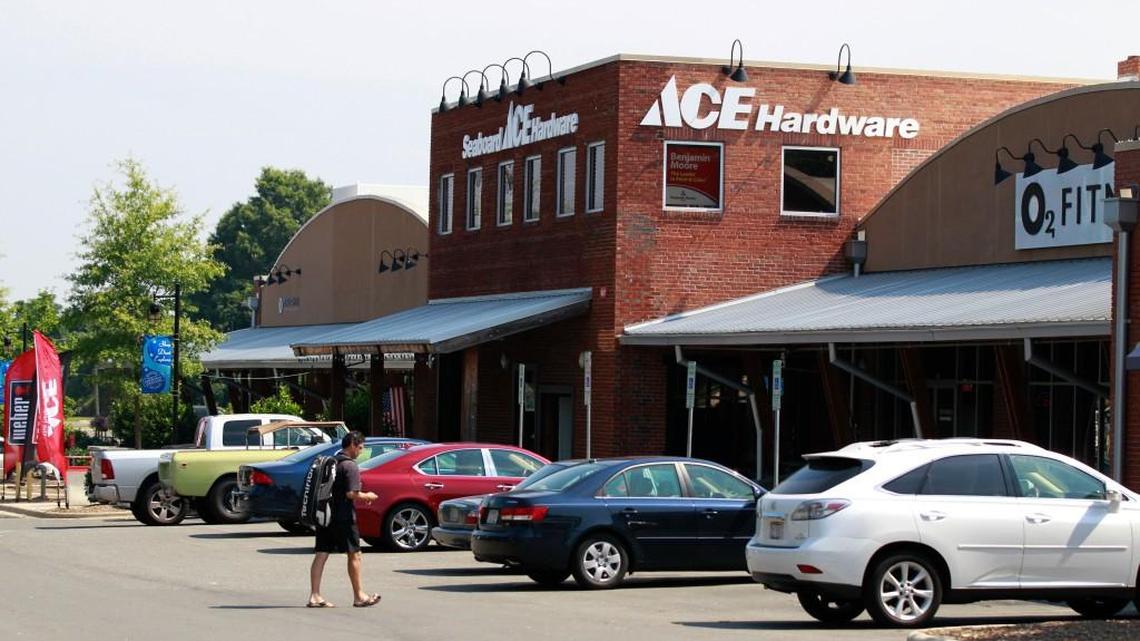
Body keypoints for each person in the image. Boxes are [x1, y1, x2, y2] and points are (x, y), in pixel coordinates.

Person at [307, 430, 381, 608]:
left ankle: (315, 595)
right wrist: (368, 496)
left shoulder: (331, 461)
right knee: (355, 554)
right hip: (344, 517)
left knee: (321, 553)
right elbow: (351, 493)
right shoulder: (350, 465)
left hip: (325, 514)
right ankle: (359, 596)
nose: (361, 452)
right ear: (353, 445)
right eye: (360, 447)